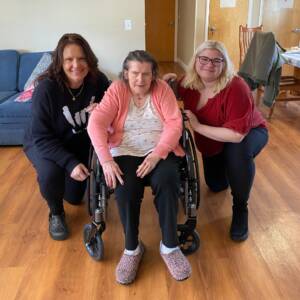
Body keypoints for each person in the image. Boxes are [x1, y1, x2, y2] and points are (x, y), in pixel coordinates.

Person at [87, 50, 191, 284]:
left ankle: (170, 247)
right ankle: (132, 249)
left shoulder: (162, 90)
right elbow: (96, 123)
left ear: (154, 74)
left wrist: (157, 155)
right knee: (125, 189)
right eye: (135, 73)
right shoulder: (116, 90)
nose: (140, 80)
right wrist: (105, 160)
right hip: (125, 149)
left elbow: (175, 124)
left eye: (146, 74)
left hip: (160, 148)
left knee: (168, 180)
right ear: (126, 73)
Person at [164, 40, 268, 242]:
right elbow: (169, 93)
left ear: (224, 64)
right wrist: (167, 82)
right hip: (215, 137)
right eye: (204, 59)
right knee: (216, 185)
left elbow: (237, 135)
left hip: (249, 132)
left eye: (216, 60)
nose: (209, 65)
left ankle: (240, 209)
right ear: (195, 61)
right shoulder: (189, 82)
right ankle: (231, 169)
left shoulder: (236, 87)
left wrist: (199, 127)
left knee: (237, 152)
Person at [23, 33, 110, 241]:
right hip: (44, 142)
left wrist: (104, 111)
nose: (76, 65)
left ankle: (64, 187)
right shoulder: (46, 89)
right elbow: (42, 138)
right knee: (50, 173)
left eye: (81, 59)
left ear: (89, 59)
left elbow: (116, 106)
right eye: (69, 59)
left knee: (74, 198)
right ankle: (55, 213)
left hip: (77, 141)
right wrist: (70, 163)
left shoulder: (98, 81)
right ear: (60, 62)